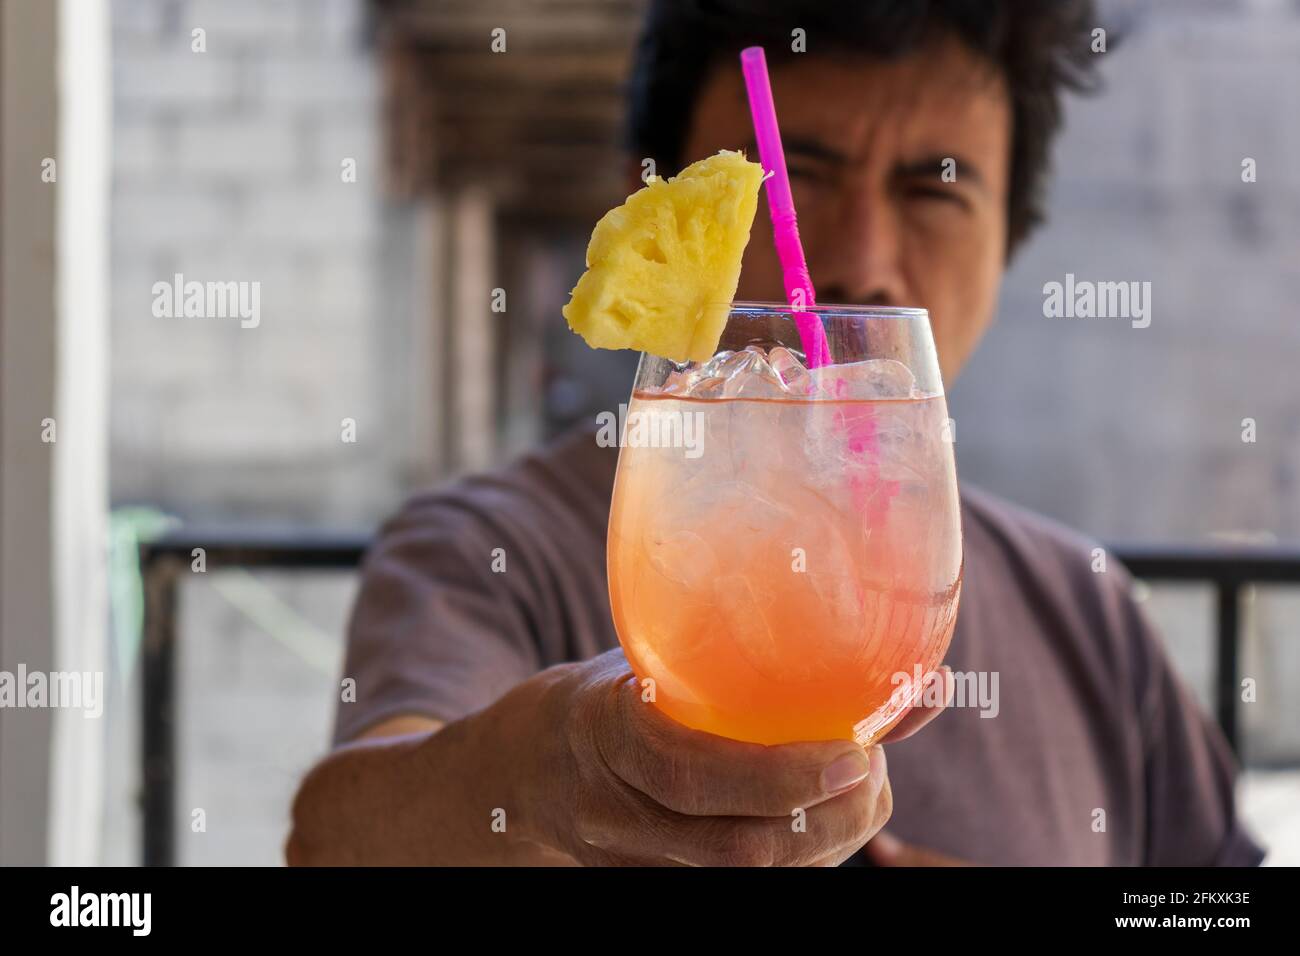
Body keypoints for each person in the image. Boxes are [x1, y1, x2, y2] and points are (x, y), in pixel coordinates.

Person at [286, 0, 1265, 866]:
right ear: (663, 208)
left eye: (934, 187)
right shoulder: (486, 550)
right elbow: (336, 839)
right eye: (795, 177)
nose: (862, 261)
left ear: (1007, 234)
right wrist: (554, 775)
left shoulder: (1086, 611)